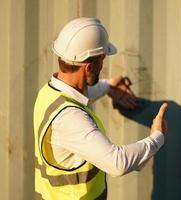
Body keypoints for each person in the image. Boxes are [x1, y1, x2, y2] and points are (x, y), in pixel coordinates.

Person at [33, 17, 168, 200]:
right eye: (102, 59)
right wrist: (157, 137)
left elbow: (79, 93)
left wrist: (108, 86)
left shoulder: (49, 93)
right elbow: (117, 163)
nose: (103, 64)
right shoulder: (70, 118)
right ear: (89, 67)